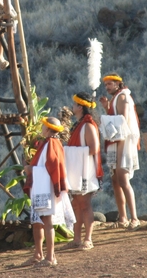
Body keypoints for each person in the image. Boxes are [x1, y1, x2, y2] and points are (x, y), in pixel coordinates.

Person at [21, 117, 74, 267]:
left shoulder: (51, 143)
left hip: (46, 188)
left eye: (44, 126)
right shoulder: (51, 142)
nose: (42, 128)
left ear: (49, 128)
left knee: (48, 222)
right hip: (45, 187)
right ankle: (40, 255)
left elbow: (52, 168)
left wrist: (31, 170)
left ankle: (50, 257)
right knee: (41, 221)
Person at [61, 92, 103, 251]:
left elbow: (94, 149)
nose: (72, 107)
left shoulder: (88, 124)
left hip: (85, 171)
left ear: (80, 106)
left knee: (85, 204)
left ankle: (88, 239)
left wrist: (71, 151)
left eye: (74, 104)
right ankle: (76, 239)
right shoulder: (78, 124)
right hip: (77, 170)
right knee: (76, 204)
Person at [99, 73, 141, 230]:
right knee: (115, 181)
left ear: (117, 84)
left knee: (123, 180)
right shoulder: (116, 98)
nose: (107, 87)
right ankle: (123, 218)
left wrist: (105, 117)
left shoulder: (123, 97)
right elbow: (115, 117)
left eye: (110, 84)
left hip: (123, 142)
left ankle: (134, 218)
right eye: (106, 85)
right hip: (115, 142)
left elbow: (122, 120)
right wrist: (107, 107)